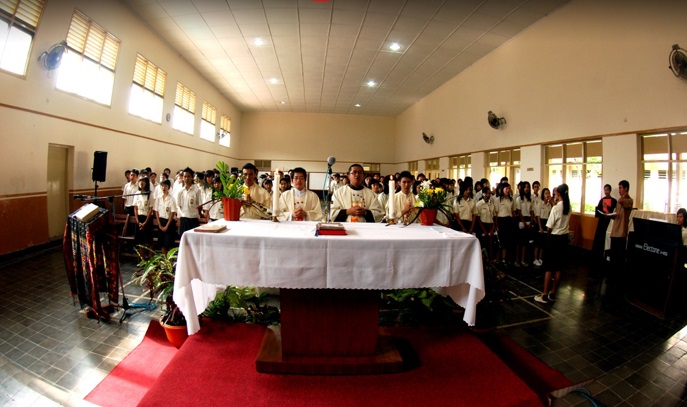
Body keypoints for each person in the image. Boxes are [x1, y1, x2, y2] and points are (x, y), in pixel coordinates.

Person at [534, 184, 571, 304]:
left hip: (554, 238)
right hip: (564, 239)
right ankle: (553, 293)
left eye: (555, 192)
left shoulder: (556, 208)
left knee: (549, 267)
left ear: (558, 194)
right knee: (559, 268)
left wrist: (547, 232)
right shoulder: (568, 206)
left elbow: (549, 227)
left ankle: (544, 295)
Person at [608, 180, 633, 281]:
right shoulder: (619, 200)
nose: (619, 190)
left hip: (621, 232)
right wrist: (610, 215)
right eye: (619, 188)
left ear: (626, 189)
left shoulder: (629, 200)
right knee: (613, 255)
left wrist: (624, 196)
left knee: (619, 256)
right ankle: (611, 276)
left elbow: (624, 202)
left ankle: (618, 277)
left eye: (620, 188)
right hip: (615, 230)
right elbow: (617, 214)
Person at [592, 184, 617, 263]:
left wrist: (607, 208)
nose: (606, 192)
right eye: (605, 190)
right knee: (600, 238)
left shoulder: (614, 201)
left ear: (610, 190)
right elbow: (598, 211)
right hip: (602, 222)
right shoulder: (602, 200)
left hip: (609, 222)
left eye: (607, 190)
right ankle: (598, 255)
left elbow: (614, 212)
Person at [176, 167, 203, 236]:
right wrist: (182, 214)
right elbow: (179, 205)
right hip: (184, 219)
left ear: (192, 177)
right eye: (185, 176)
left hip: (193, 219)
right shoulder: (180, 191)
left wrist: (195, 213)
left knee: (193, 241)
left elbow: (200, 206)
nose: (187, 178)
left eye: (189, 176)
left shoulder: (197, 190)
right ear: (182, 178)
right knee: (184, 241)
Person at [494, 182, 516, 265]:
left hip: (509, 221)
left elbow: (513, 212)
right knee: (501, 241)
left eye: (509, 188)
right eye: (506, 188)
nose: (508, 190)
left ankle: (507, 258)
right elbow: (495, 214)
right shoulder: (497, 200)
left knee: (509, 241)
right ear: (502, 190)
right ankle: (499, 259)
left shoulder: (511, 200)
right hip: (501, 221)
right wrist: (497, 225)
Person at [133, 176, 155, 257]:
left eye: (143, 181)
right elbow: (135, 208)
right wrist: (138, 221)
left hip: (147, 218)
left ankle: (151, 259)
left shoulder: (150, 194)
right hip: (139, 218)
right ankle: (142, 260)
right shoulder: (136, 193)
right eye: (140, 181)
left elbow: (151, 209)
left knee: (149, 241)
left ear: (146, 183)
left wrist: (145, 222)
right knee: (140, 241)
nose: (141, 183)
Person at [515, 181, 534, 267]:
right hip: (521, 221)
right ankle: (517, 260)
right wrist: (523, 222)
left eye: (528, 187)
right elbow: (518, 211)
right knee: (519, 242)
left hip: (528, 220)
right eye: (525, 187)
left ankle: (523, 260)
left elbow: (531, 211)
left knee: (525, 242)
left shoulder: (530, 199)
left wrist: (531, 221)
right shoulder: (519, 199)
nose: (527, 189)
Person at [154, 179, 176, 255]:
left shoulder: (171, 199)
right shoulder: (158, 198)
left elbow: (172, 213)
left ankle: (170, 262)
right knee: (162, 243)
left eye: (165, 186)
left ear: (169, 187)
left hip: (169, 222)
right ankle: (164, 261)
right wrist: (159, 224)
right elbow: (156, 211)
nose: (163, 188)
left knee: (169, 243)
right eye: (162, 186)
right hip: (161, 221)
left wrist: (167, 226)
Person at [533, 188, 554, 267]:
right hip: (540, 223)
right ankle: (535, 258)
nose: (547, 195)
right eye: (545, 193)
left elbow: (550, 215)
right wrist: (540, 227)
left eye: (548, 193)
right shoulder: (539, 203)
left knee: (543, 243)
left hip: (546, 222)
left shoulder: (549, 205)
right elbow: (538, 216)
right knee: (538, 242)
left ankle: (540, 258)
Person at [476, 188, 496, 260]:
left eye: (489, 193)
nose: (488, 195)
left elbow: (494, 218)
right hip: (482, 226)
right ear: (483, 194)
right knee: (482, 245)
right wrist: (484, 230)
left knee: (490, 246)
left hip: (490, 226)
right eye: (487, 193)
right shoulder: (479, 204)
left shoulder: (491, 204)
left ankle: (490, 260)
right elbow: (478, 219)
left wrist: (492, 230)